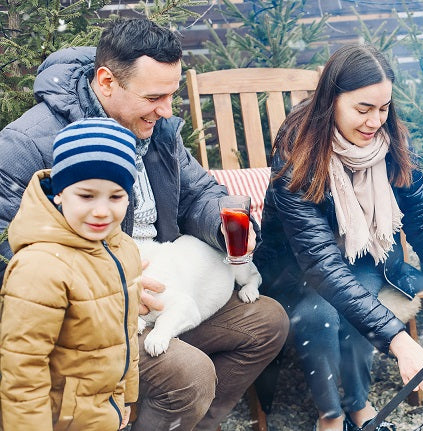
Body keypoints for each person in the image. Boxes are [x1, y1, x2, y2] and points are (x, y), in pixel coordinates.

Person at [0, 18, 289, 430]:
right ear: (106, 82)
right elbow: (10, 256)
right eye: (155, 96)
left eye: (171, 95)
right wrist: (116, 291)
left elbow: (197, 194)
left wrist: (226, 225)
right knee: (189, 375)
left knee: (267, 322)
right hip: (94, 316)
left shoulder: (158, 128)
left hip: (168, 291)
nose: (167, 110)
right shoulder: (27, 145)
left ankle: (191, 423)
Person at [253, 44, 423, 431]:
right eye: (363, 109)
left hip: (364, 258)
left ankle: (357, 406)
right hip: (296, 267)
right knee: (319, 312)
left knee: (360, 306)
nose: (374, 122)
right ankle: (331, 416)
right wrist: (400, 342)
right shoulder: (297, 150)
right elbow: (321, 266)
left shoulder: (393, 142)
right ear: (331, 100)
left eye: (383, 108)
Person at [0, 118, 141, 430]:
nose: (102, 210)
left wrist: (125, 396)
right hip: (60, 420)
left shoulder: (123, 249)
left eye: (115, 196)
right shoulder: (40, 267)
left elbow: (125, 337)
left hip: (103, 413)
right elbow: (22, 372)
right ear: (60, 193)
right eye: (87, 196)